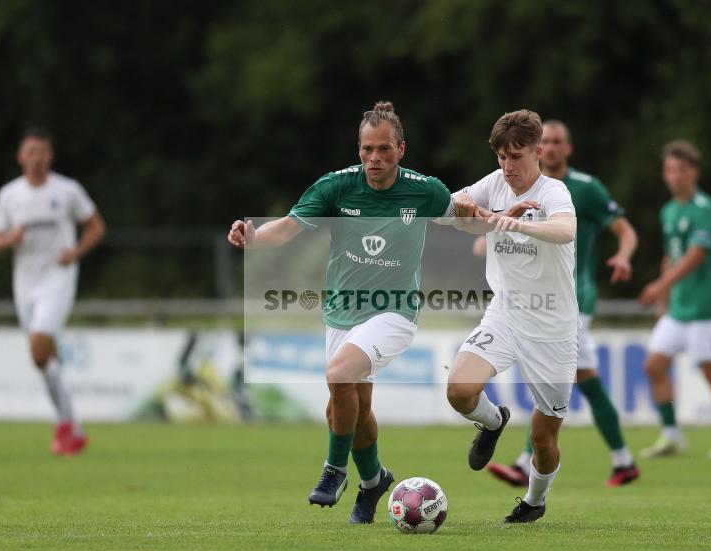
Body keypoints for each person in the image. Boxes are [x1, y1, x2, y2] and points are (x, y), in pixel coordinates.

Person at [227, 101, 455, 524]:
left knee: (339, 375)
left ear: (401, 149)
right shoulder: (335, 186)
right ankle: (373, 482)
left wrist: (500, 218)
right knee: (350, 409)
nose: (374, 158)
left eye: (384, 149)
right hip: (342, 311)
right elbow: (288, 229)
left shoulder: (426, 191)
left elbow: (463, 215)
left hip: (395, 313)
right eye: (366, 149)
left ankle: (335, 472)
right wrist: (254, 236)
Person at [485, 120, 641, 488]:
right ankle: (623, 461)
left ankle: (527, 463)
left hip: (572, 299)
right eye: (548, 141)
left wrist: (624, 256)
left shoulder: (583, 189)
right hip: (534, 300)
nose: (552, 148)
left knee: (553, 380)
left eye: (558, 142)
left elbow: (625, 230)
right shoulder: (514, 186)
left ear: (565, 149)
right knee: (579, 380)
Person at [447, 109, 578, 523]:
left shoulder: (553, 191)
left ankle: (534, 502)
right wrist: (462, 205)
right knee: (458, 390)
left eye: (516, 157)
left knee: (543, 439)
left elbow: (565, 231)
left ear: (538, 152)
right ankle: (491, 422)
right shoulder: (493, 184)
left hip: (553, 328)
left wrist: (514, 225)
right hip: (505, 314)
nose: (507, 167)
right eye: (501, 156)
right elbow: (446, 210)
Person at [0, 127, 106, 455]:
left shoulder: (67, 190)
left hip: (58, 278)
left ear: (50, 156)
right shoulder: (9, 195)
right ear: (20, 157)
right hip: (24, 283)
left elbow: (96, 226)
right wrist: (9, 239)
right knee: (42, 359)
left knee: (40, 343)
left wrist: (76, 252)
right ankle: (72, 428)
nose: (36, 158)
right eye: (30, 152)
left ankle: (65, 427)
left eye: (42, 152)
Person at [638, 140, 711, 459]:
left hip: (705, 309)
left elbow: (696, 255)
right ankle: (672, 436)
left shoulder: (704, 207)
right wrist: (663, 301)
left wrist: (658, 286)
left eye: (681, 170)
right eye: (670, 170)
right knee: (654, 366)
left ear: (694, 172)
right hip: (678, 309)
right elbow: (671, 257)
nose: (675, 176)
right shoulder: (668, 210)